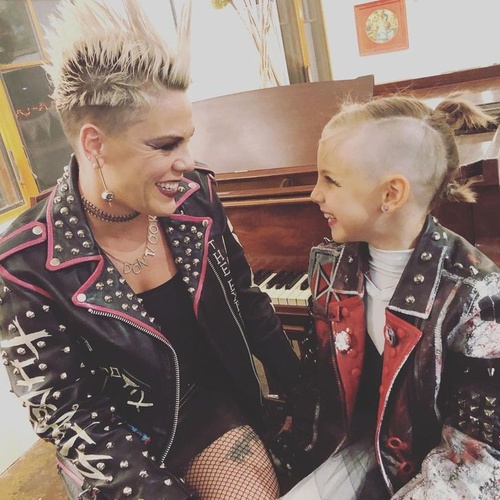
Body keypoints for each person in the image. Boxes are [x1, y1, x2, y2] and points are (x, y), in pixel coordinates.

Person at [0, 0, 304, 498]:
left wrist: (303, 394)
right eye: (165, 146)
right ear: (94, 144)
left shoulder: (196, 199)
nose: (188, 162)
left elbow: (248, 302)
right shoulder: (24, 263)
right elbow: (67, 412)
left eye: (187, 141)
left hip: (215, 409)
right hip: (117, 442)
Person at [279, 94, 500, 499]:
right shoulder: (330, 264)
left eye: (330, 180)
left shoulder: (476, 295)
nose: (315, 194)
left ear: (391, 194)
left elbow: (479, 453)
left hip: (435, 471)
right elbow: (316, 383)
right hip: (352, 445)